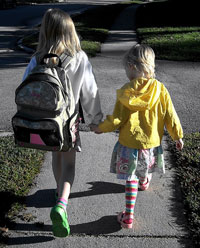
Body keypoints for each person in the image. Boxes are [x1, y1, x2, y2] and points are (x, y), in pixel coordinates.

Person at [22, 8, 103, 237]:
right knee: (69, 164)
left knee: (55, 156)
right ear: (70, 31)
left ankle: (58, 191)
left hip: (45, 122)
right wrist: (96, 120)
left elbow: (25, 87)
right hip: (69, 123)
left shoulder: (37, 58)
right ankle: (61, 204)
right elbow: (90, 92)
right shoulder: (79, 57)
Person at [90, 44, 184, 229]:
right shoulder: (160, 89)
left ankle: (128, 216)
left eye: (127, 69)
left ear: (132, 67)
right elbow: (170, 115)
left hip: (129, 144)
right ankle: (144, 181)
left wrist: (100, 127)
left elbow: (116, 119)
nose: (127, 73)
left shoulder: (126, 91)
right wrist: (177, 136)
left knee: (130, 177)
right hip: (150, 143)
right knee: (144, 166)